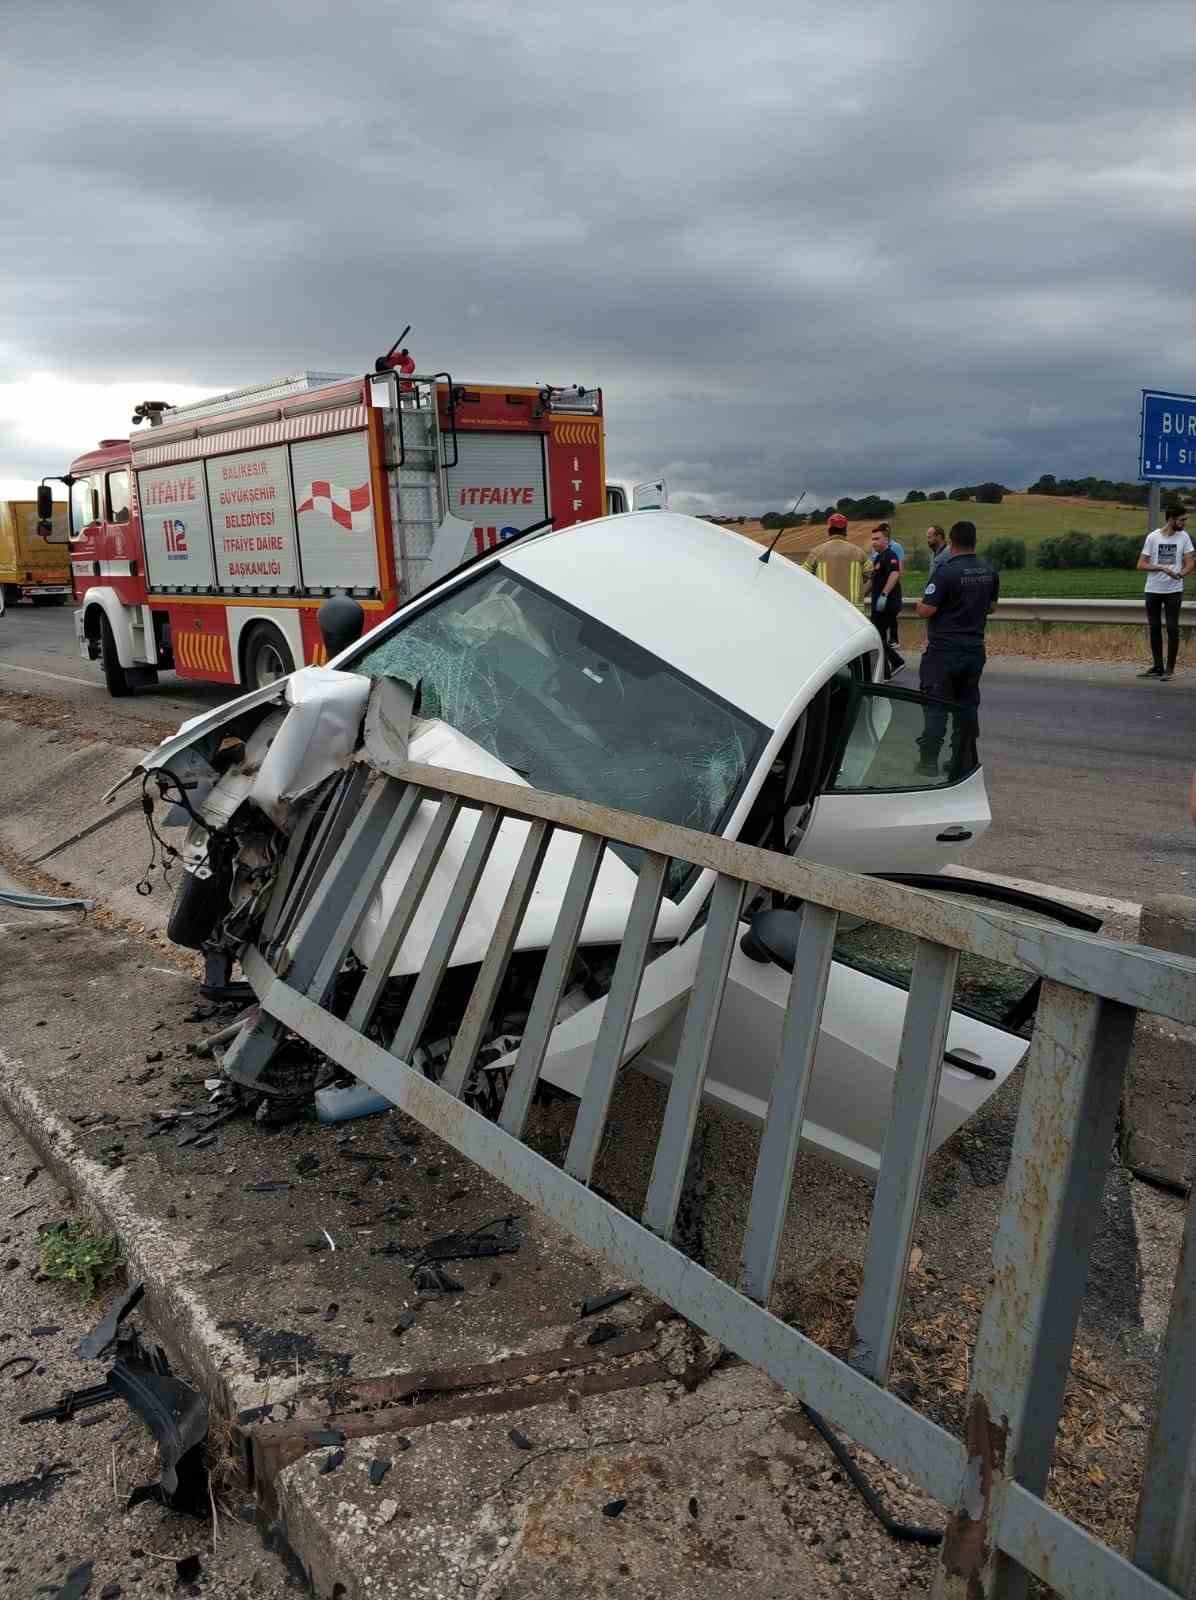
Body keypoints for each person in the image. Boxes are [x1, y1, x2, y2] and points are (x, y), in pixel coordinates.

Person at [914, 520, 999, 777]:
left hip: (943, 653)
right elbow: (992, 607)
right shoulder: (989, 571)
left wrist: (919, 604)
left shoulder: (945, 572)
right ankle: (962, 761)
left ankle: (928, 762)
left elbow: (926, 609)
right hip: (974, 650)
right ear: (974, 542)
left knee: (936, 706)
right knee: (967, 707)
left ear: (950, 543)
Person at [1137, 508, 1194, 681]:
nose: (1184, 523)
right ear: (1170, 519)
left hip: (1173, 590)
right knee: (1154, 628)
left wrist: (1181, 573)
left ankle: (1170, 668)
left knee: (1172, 628)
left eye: (1185, 520)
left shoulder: (1184, 537)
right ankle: (1157, 666)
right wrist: (1160, 567)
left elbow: (1191, 560)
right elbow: (1141, 564)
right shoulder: (1153, 537)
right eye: (1181, 520)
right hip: (1153, 589)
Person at [803, 512, 868, 605]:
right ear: (845, 530)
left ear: (829, 530)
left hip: (827, 607)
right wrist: (862, 592)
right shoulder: (859, 552)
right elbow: (872, 575)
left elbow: (804, 575)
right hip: (854, 610)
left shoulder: (816, 552)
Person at [867, 526, 904, 677]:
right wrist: (861, 594)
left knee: (877, 637)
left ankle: (895, 662)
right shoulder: (878, 557)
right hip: (879, 605)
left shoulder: (890, 555)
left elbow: (895, 574)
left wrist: (884, 594)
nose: (874, 542)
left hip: (887, 604)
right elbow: (872, 581)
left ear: (886, 539)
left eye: (877, 539)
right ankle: (887, 672)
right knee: (879, 637)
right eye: (872, 539)